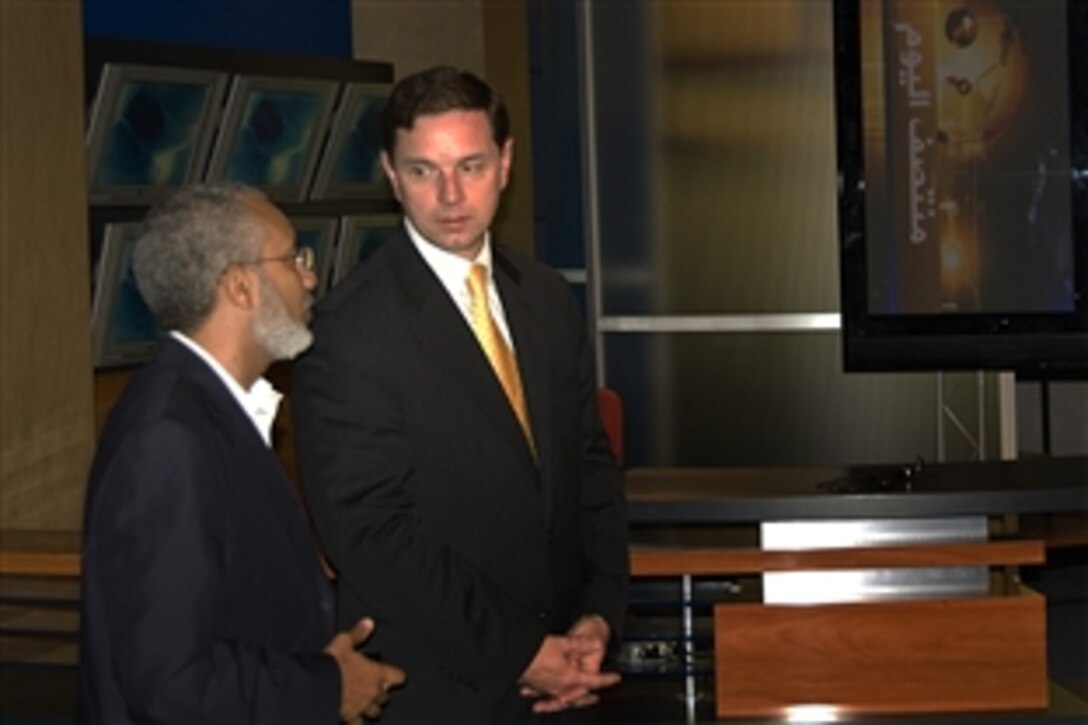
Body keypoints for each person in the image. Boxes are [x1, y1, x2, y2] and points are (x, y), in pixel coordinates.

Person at [291, 66, 629, 723]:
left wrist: (597, 615)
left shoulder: (546, 296)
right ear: (391, 174)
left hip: (569, 673)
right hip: (444, 688)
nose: (451, 194)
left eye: (470, 165)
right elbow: (371, 531)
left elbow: (590, 464)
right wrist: (521, 650)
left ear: (505, 163)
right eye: (423, 171)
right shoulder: (349, 327)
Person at [78, 182, 405, 724]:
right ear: (240, 286)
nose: (309, 277)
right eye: (293, 257)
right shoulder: (167, 439)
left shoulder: (201, 410)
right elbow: (170, 683)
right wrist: (327, 688)